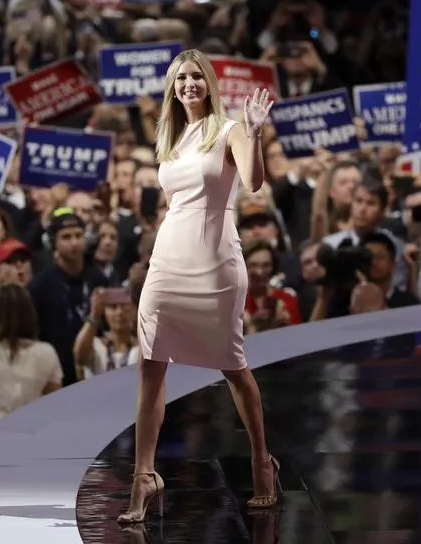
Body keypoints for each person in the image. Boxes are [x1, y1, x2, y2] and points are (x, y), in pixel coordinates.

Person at [117, 49, 280, 524]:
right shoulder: (170, 135)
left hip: (215, 259)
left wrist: (253, 130)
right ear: (173, 87)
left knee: (233, 366)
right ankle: (144, 476)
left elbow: (251, 183)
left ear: (209, 82)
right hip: (168, 257)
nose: (188, 84)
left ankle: (261, 461)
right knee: (150, 362)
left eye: (195, 76)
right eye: (180, 78)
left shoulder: (228, 130)